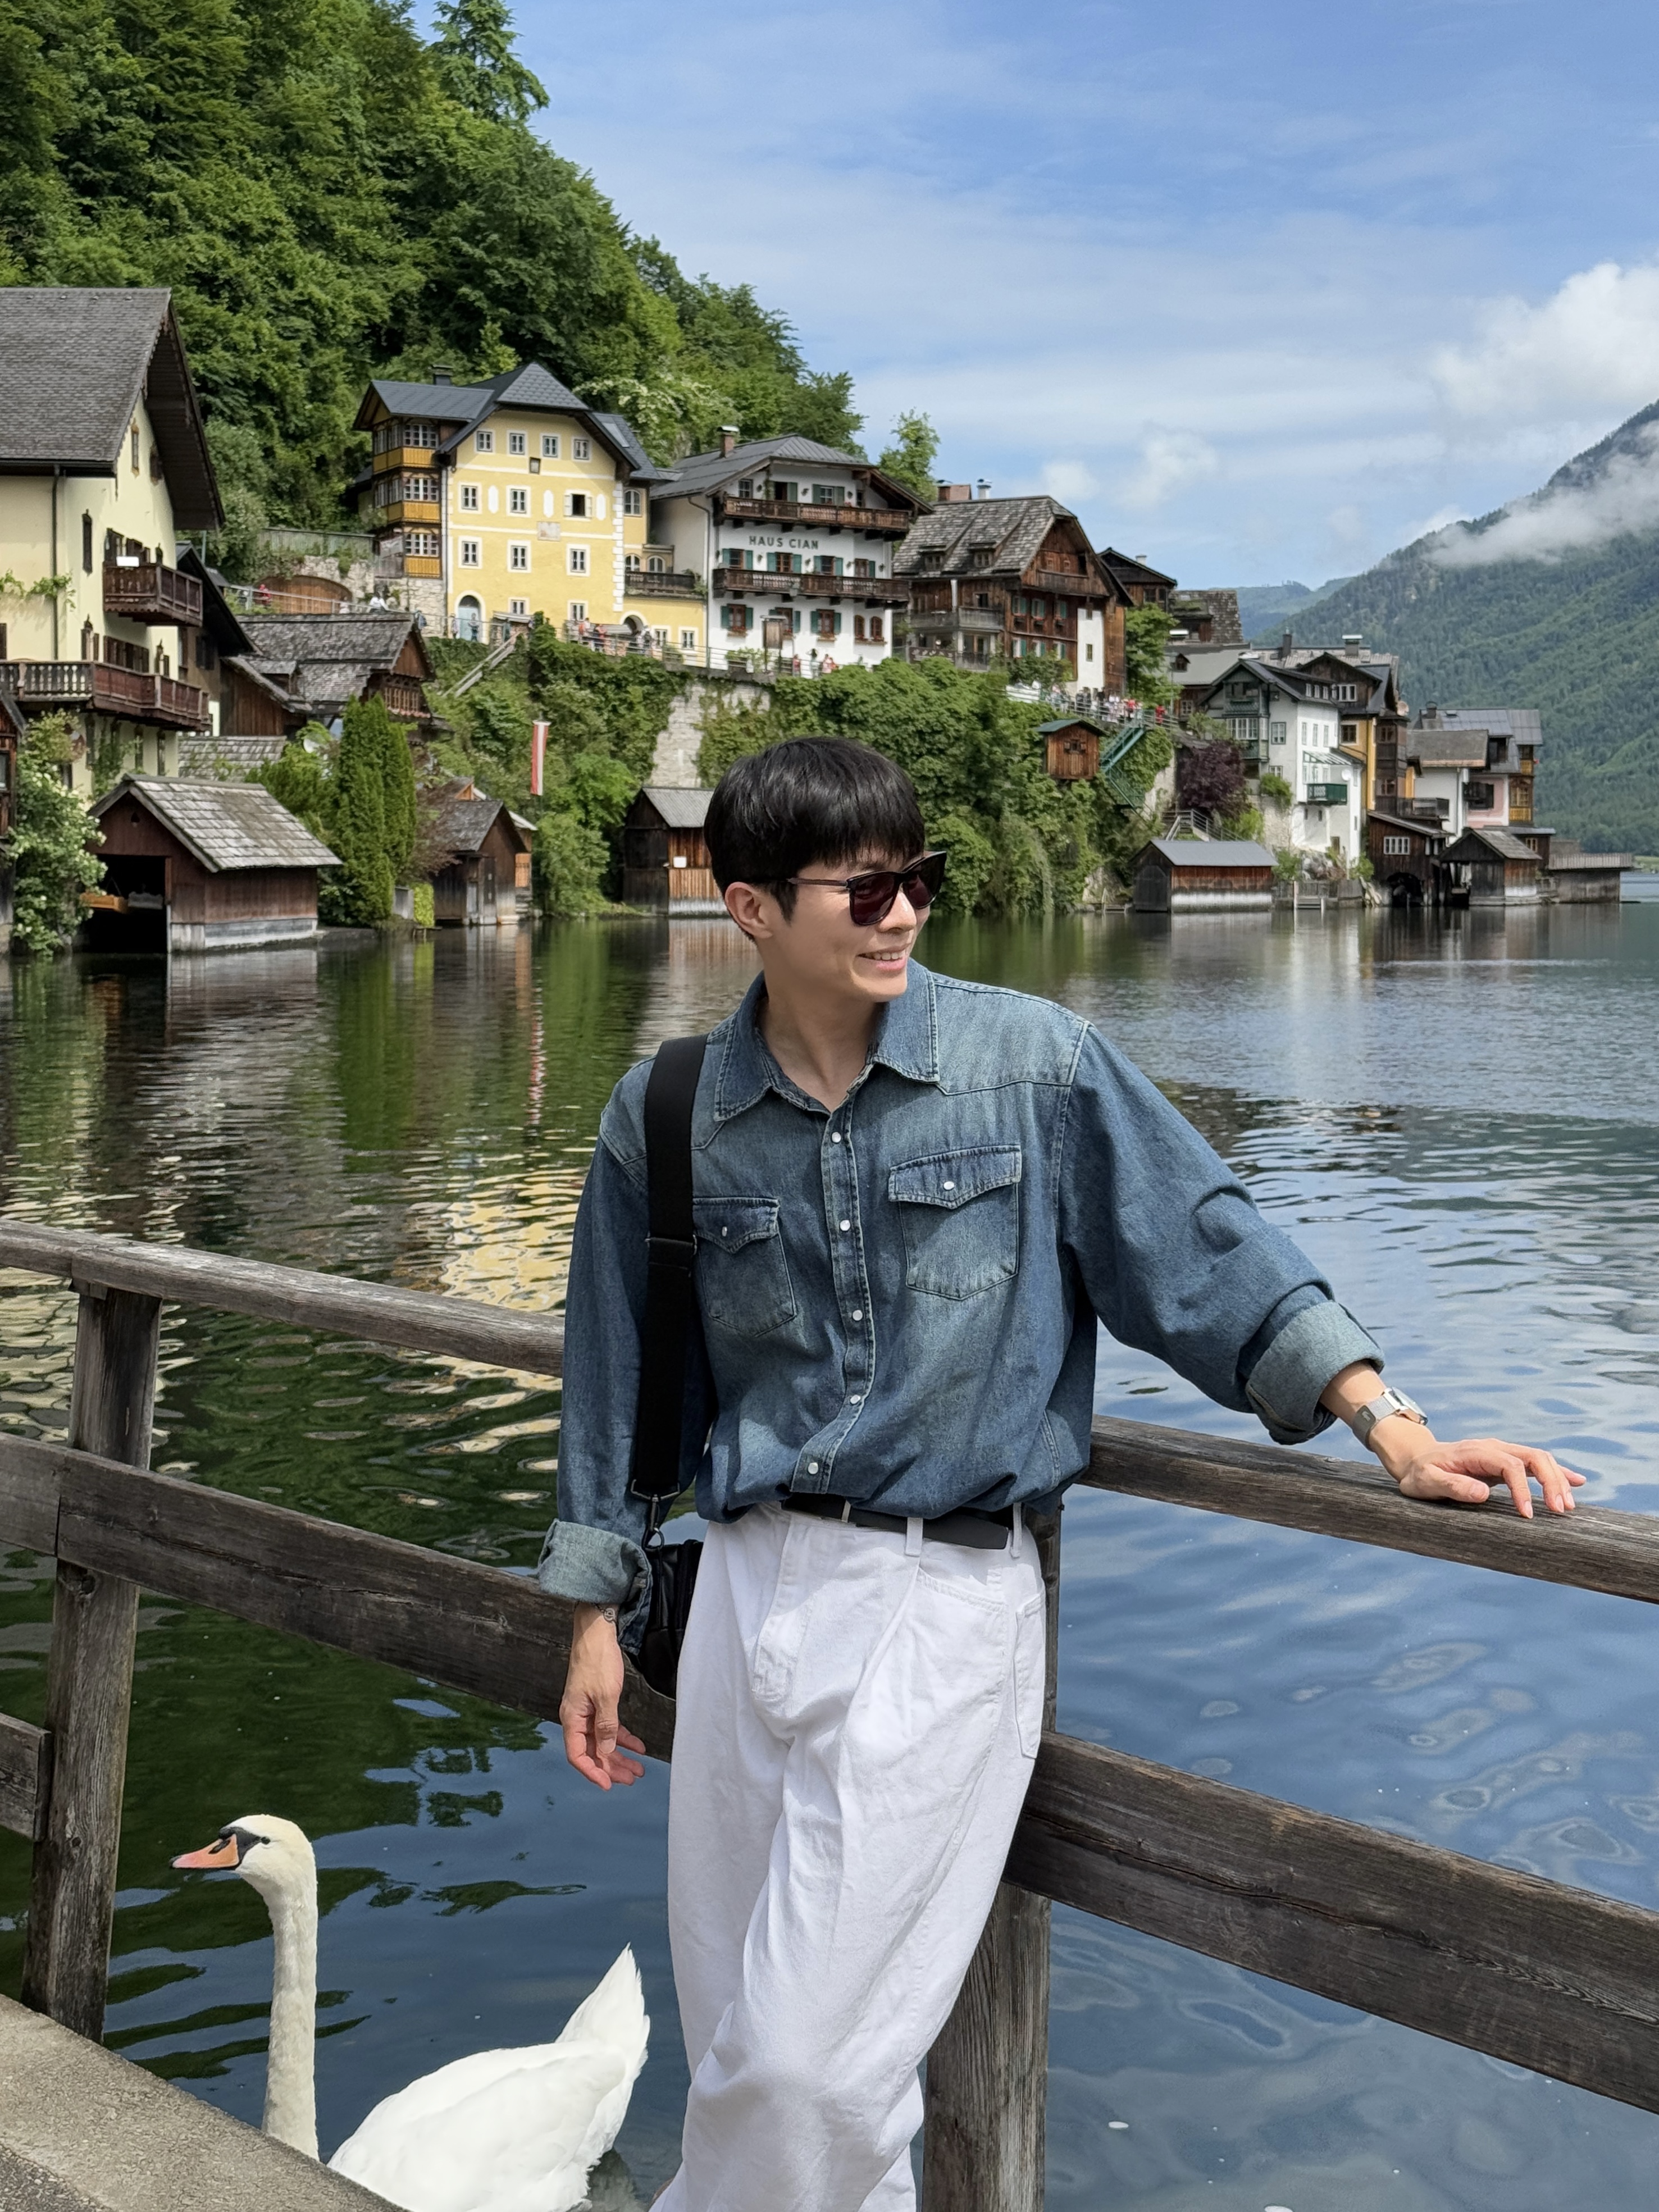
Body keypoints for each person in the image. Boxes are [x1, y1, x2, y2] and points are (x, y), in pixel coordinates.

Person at [540, 738, 1579, 2212]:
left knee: (802, 2077)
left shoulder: (1032, 1069)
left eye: (918, 878)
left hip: (943, 1601)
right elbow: (612, 1368)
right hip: (739, 1597)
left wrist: (1388, 1422)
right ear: (750, 907)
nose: (905, 912)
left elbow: (1204, 1248)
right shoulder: (669, 1114)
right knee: (744, 2058)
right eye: (865, 891)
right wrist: (594, 1608)